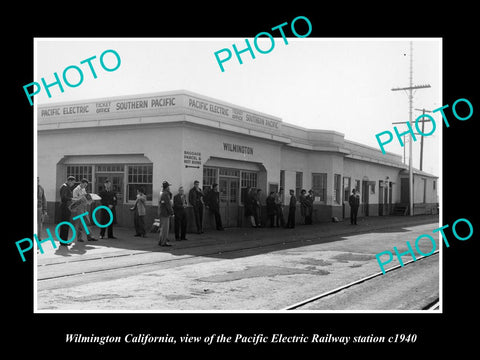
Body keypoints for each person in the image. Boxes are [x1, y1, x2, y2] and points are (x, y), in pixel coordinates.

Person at [58, 176, 76, 247]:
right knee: (65, 225)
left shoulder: (65, 186)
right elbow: (63, 197)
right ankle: (63, 241)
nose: (73, 184)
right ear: (70, 181)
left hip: (65, 208)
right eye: (73, 182)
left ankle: (63, 241)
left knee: (65, 225)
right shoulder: (65, 187)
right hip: (65, 208)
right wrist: (71, 199)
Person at [158, 181, 173, 246]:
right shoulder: (166, 194)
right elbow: (168, 205)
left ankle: (160, 241)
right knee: (165, 229)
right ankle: (164, 242)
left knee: (162, 228)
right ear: (166, 187)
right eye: (168, 186)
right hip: (165, 213)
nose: (169, 188)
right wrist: (171, 212)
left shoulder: (161, 193)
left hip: (161, 212)